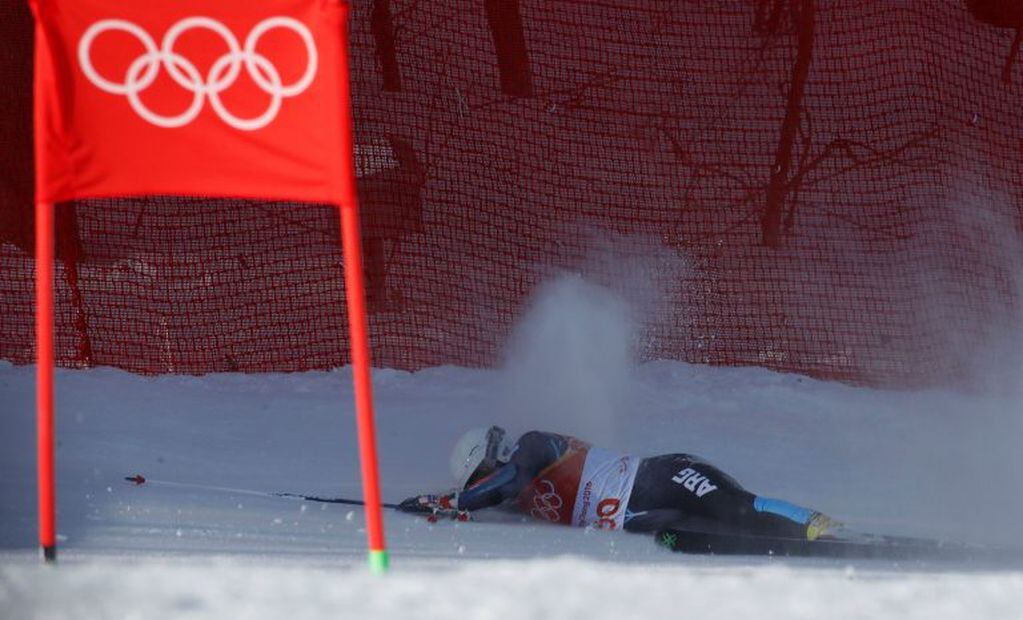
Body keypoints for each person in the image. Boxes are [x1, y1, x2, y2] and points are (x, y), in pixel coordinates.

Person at [398, 426, 837, 540]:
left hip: (664, 476)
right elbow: (500, 493)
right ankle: (778, 536)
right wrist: (440, 502)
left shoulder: (532, 448)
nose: (487, 482)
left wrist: (455, 500)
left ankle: (814, 523)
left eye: (482, 473)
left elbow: (506, 482)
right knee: (697, 531)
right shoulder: (516, 495)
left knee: (736, 508)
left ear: (492, 456)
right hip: (642, 514)